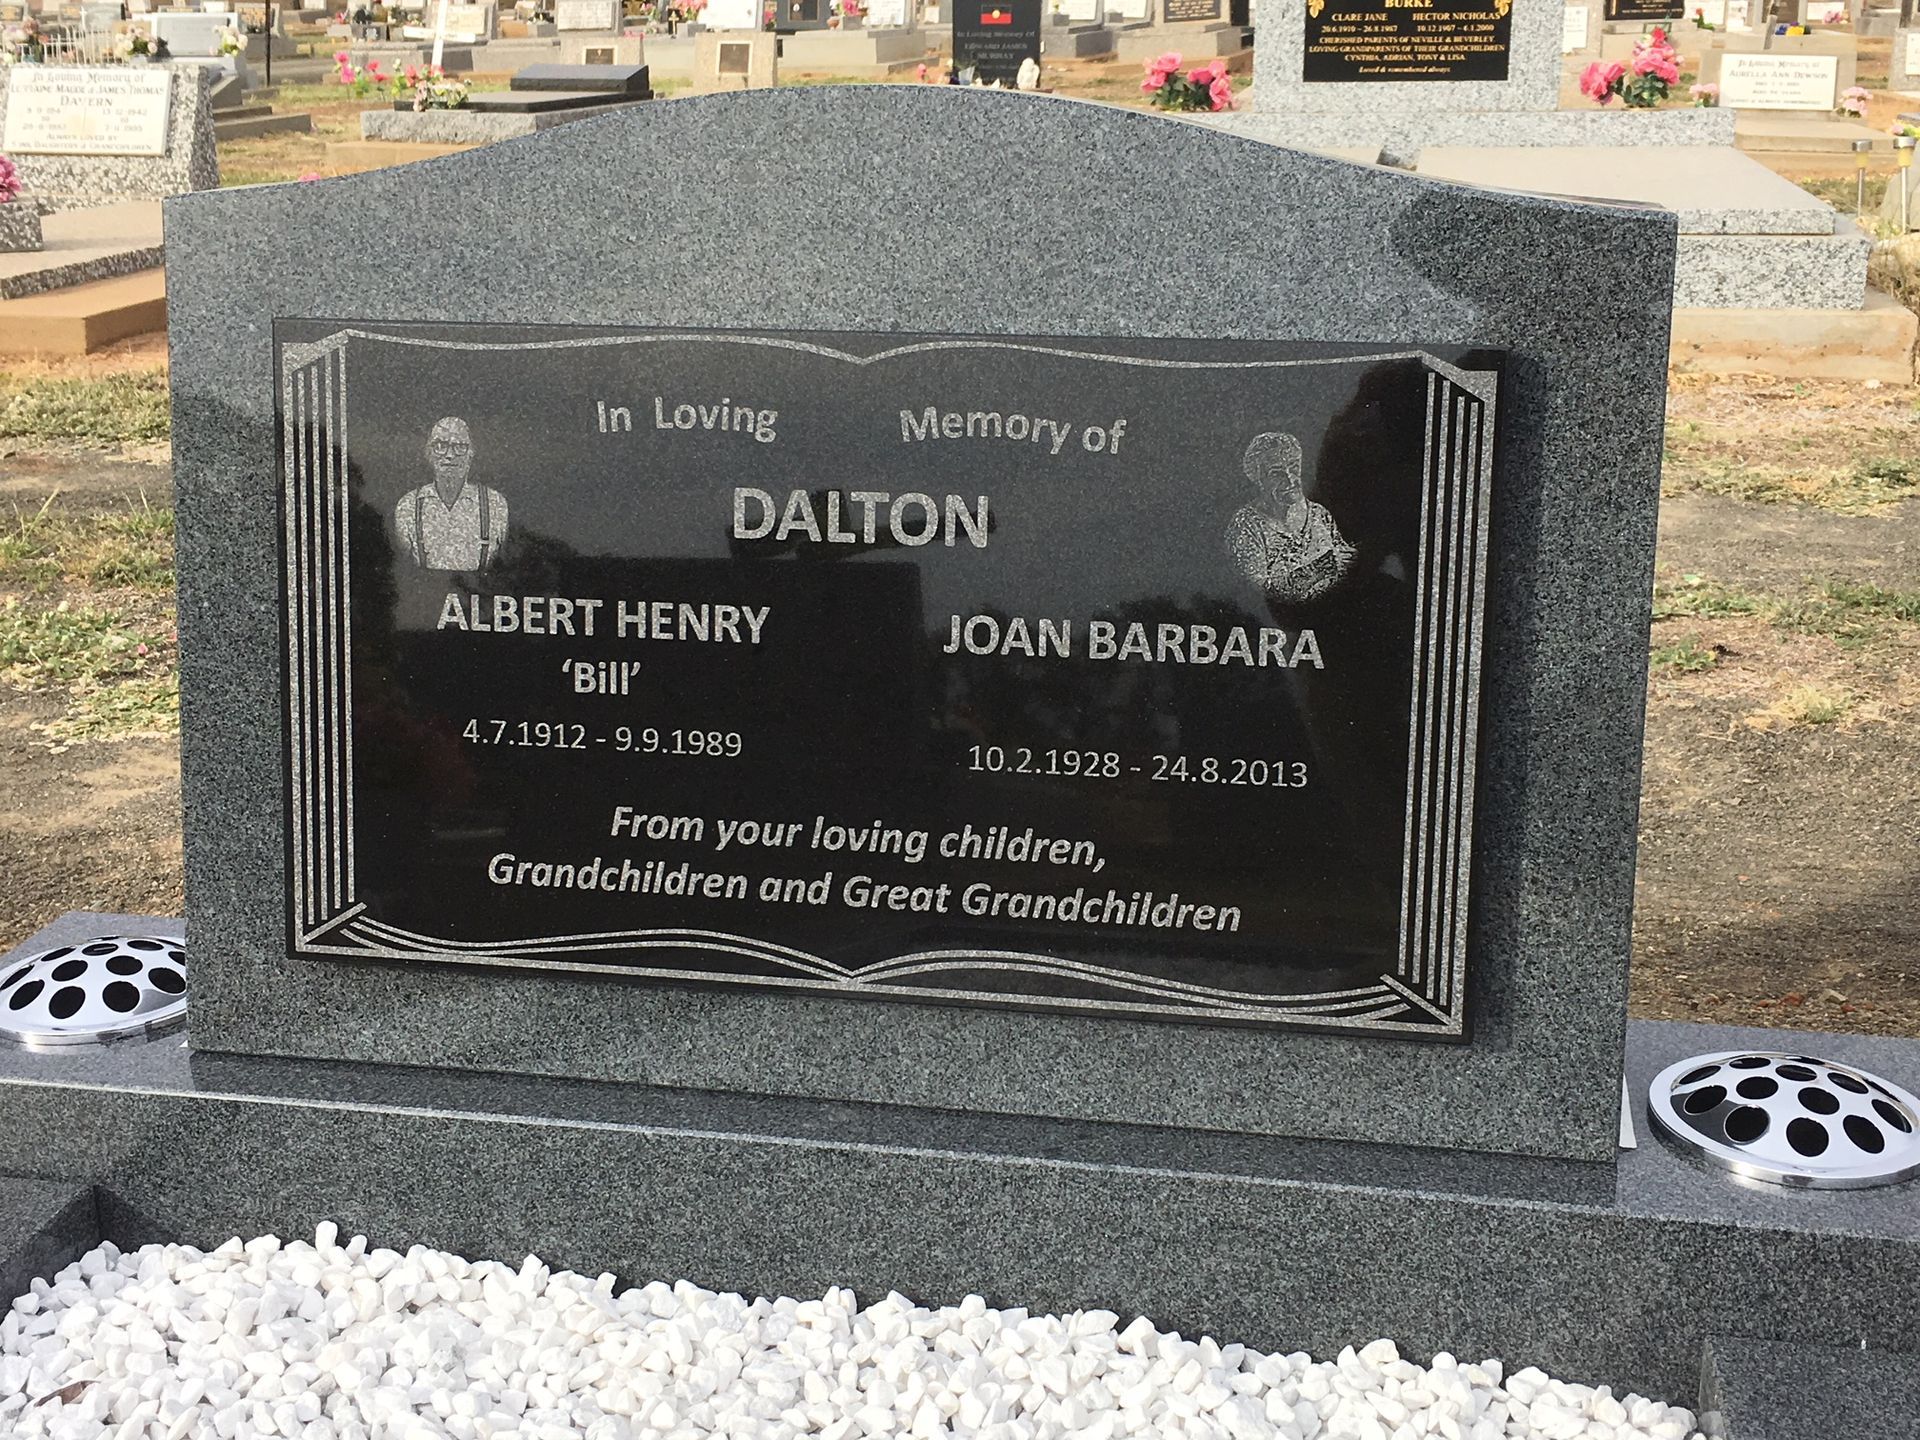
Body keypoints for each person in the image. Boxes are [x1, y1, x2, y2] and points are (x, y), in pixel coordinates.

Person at [1224, 431, 1354, 605]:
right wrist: (1321, 567)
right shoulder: (1246, 526)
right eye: (1276, 473)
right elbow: (1260, 595)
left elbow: (1345, 563)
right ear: (1258, 478)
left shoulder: (1318, 514)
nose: (1290, 480)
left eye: (1293, 467)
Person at [393, 416, 508, 572]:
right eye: (440, 446)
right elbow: (401, 569)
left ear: (471, 453)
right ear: (429, 453)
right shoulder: (409, 506)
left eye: (459, 446)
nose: (449, 455)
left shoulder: (495, 504)